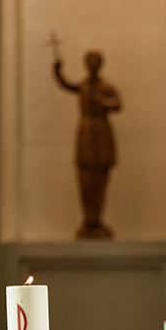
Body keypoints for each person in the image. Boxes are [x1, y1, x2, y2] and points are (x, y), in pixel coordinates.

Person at [53, 50, 122, 239]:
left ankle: (96, 220)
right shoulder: (83, 85)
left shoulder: (106, 86)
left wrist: (103, 101)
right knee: (85, 179)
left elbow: (117, 104)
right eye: (89, 60)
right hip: (86, 133)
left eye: (96, 60)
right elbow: (66, 84)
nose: (92, 63)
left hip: (102, 132)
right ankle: (88, 220)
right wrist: (58, 71)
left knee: (100, 178)